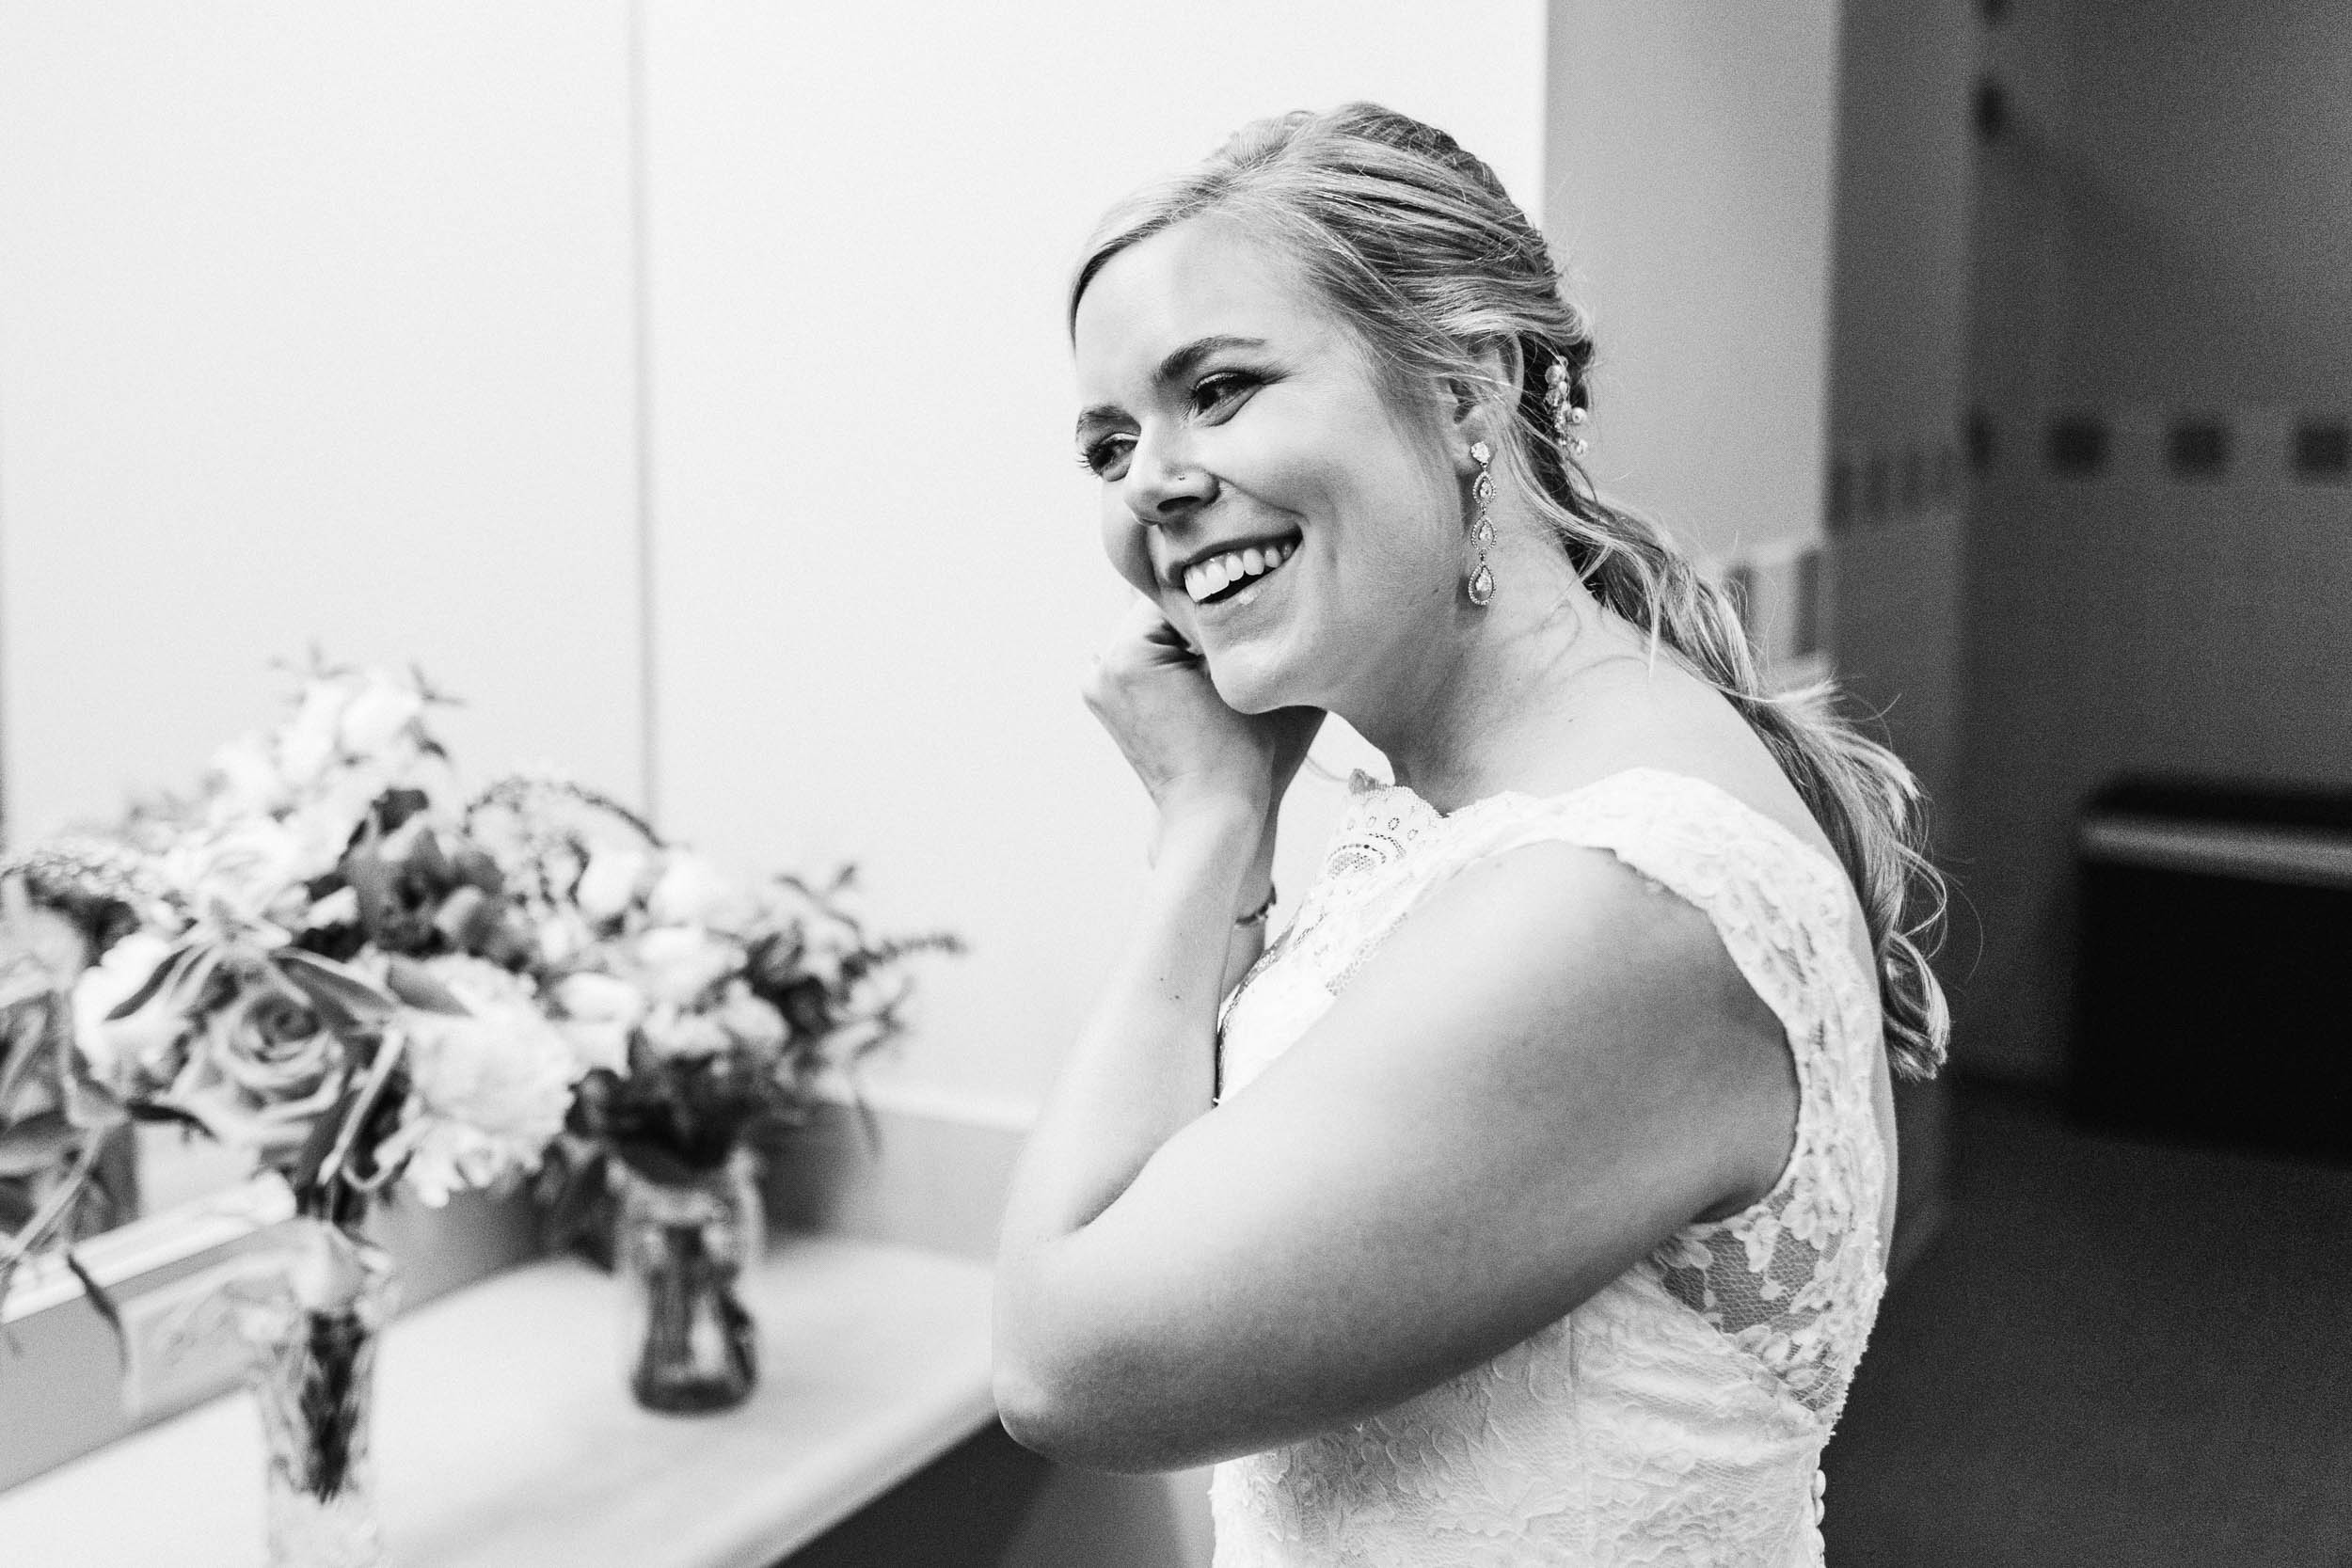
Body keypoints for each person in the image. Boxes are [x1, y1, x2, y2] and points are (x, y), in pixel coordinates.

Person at [993, 103, 1947, 1565]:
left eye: (1223, 389)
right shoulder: (1489, 804)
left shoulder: (1615, 897)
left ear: (1465, 387)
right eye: (1111, 444)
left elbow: (1066, 1365)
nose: (1153, 486)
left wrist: (1210, 822)